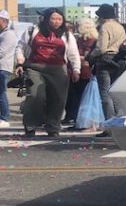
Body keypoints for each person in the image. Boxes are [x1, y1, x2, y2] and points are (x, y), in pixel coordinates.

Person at [15, 8, 81, 137]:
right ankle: (30, 124)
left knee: (58, 99)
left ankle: (53, 126)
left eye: (59, 19)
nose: (57, 22)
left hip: (58, 69)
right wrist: (20, 62)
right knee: (35, 95)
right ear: (46, 19)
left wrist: (76, 69)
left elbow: (73, 53)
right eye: (53, 18)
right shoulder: (33, 30)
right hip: (35, 67)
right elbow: (21, 46)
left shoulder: (67, 34)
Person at [93, 3, 126, 121]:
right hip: (118, 60)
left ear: (102, 16)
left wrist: (90, 56)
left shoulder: (105, 27)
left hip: (105, 60)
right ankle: (119, 119)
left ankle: (110, 122)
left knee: (105, 93)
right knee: (115, 92)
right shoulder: (120, 27)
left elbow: (101, 48)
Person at [64, 17, 97, 127]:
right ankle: (73, 116)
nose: (76, 28)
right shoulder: (79, 39)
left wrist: (77, 57)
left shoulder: (91, 40)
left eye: (78, 26)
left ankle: (80, 118)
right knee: (74, 95)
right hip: (76, 69)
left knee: (82, 95)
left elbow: (88, 56)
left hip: (86, 71)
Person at [0, 10, 18, 129]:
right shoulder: (3, 33)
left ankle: (4, 117)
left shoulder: (8, 34)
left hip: (3, 67)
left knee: (1, 93)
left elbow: (2, 52)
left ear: (4, 21)